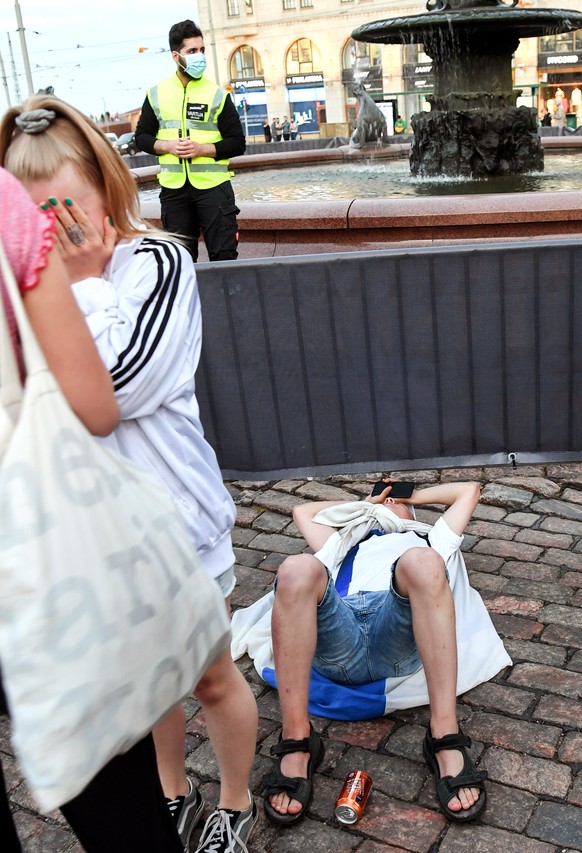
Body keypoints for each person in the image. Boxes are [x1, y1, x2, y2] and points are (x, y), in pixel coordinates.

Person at [0, 96, 258, 853]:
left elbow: (118, 387)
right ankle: (171, 792)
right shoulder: (32, 285)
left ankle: (234, 804)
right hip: (95, 532)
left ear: (106, 187)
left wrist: (79, 282)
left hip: (178, 525)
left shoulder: (160, 261)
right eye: (31, 208)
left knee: (209, 680)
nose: (50, 224)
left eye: (61, 203)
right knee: (143, 692)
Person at [0, 167, 187, 853]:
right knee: (119, 805)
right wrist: (83, 282)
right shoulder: (5, 205)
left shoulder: (161, 263)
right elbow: (98, 405)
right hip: (34, 542)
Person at [263, 480, 494, 827]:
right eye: (380, 499)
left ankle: (443, 734)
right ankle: (298, 739)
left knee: (424, 561)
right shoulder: (343, 540)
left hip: (395, 630)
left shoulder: (426, 537)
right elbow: (303, 511)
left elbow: (469, 491)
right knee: (296, 568)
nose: (385, 504)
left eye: (394, 500)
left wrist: (407, 497)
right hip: (340, 636)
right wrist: (364, 504)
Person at [135, 19, 246, 262]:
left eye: (202, 50)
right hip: (174, 190)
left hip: (214, 189)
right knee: (180, 262)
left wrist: (202, 149)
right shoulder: (156, 93)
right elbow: (141, 138)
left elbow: (238, 142)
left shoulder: (217, 93)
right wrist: (166, 146)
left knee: (224, 257)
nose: (199, 56)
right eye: (192, 51)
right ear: (176, 56)